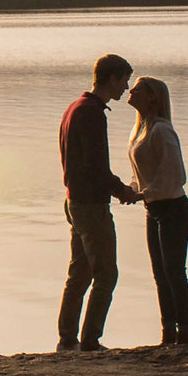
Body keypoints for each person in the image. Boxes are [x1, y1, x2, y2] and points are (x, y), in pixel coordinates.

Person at [56, 53, 142, 352]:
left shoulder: (74, 108)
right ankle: (91, 341)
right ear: (111, 78)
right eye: (124, 80)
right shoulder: (91, 113)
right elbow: (96, 167)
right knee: (106, 274)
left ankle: (68, 338)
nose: (126, 87)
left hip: (73, 201)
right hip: (90, 205)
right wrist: (123, 192)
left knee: (79, 273)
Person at [125, 76, 188, 344]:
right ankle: (167, 331)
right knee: (160, 274)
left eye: (138, 89)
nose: (131, 91)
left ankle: (184, 332)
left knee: (174, 272)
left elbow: (175, 176)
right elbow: (143, 174)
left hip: (173, 209)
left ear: (153, 97)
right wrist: (132, 188)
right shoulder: (141, 129)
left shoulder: (162, 131)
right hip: (153, 209)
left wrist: (143, 194)